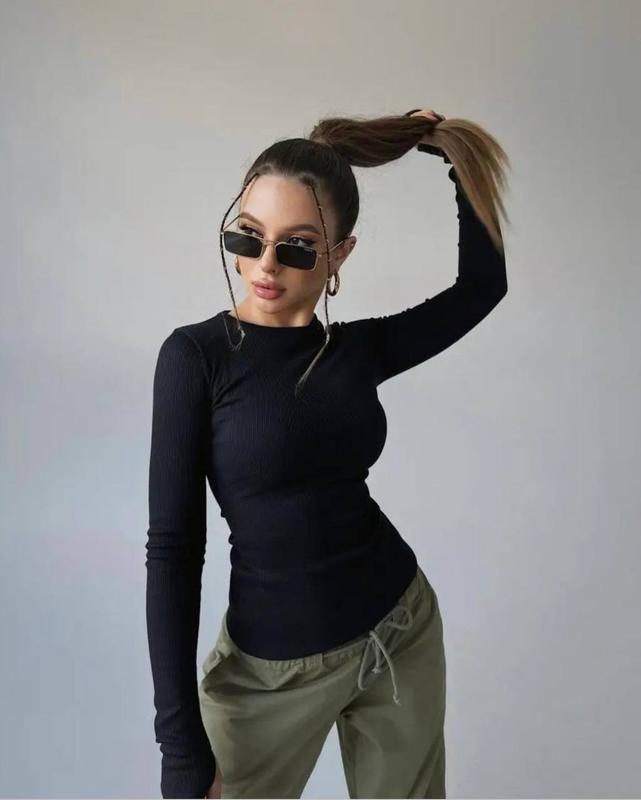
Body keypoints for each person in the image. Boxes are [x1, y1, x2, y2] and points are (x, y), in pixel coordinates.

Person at [145, 107, 510, 799]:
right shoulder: (195, 359)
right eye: (247, 235)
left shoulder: (356, 352)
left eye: (297, 247)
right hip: (269, 673)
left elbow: (482, 288)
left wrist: (449, 156)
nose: (264, 264)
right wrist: (181, 746)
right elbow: (173, 548)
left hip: (398, 631)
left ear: (339, 255)